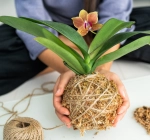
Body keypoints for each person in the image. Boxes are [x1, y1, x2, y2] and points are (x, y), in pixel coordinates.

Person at [0, 0, 134, 127]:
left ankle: (76, 49)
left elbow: (115, 18)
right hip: (51, 27)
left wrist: (102, 69)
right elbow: (33, 26)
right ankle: (88, 50)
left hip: (98, 31)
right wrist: (72, 68)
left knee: (133, 26)